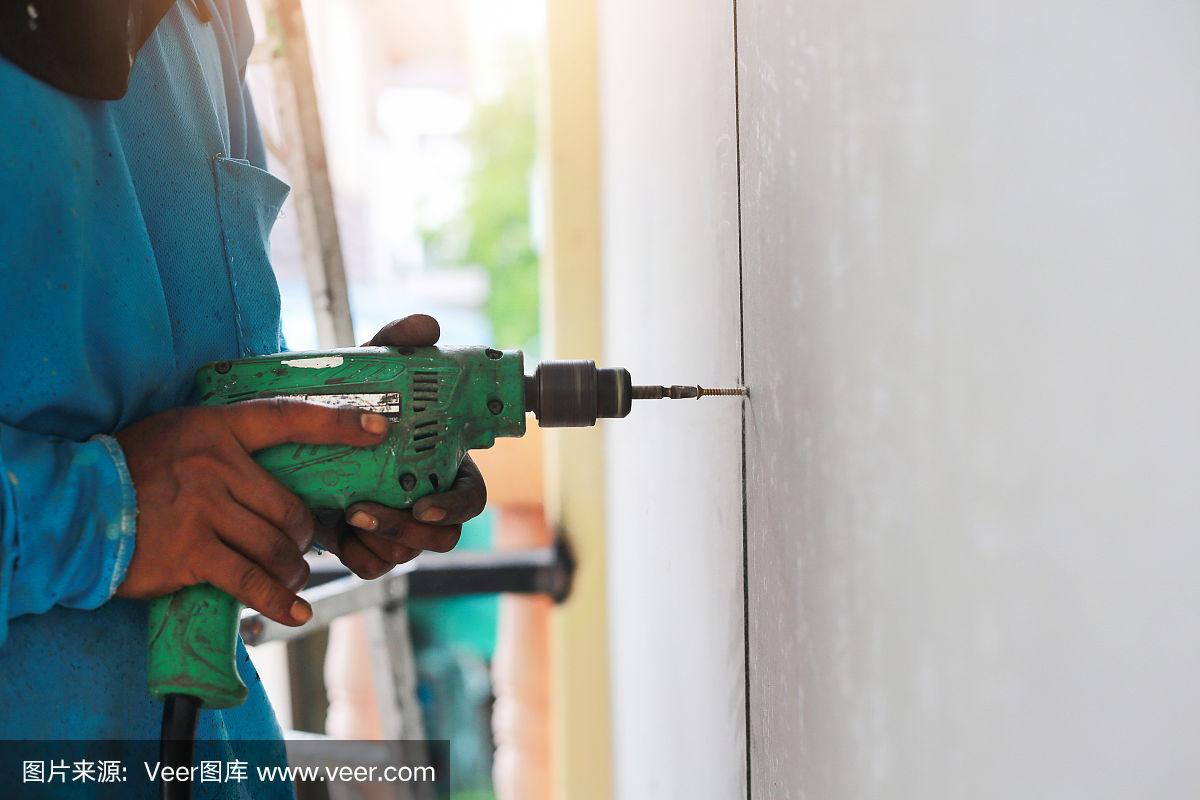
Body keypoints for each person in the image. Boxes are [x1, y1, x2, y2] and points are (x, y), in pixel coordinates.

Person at [0, 0, 486, 776]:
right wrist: (99, 514)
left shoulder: (208, 19)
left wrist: (324, 453)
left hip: (212, 760)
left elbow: (206, 397)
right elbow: (156, 488)